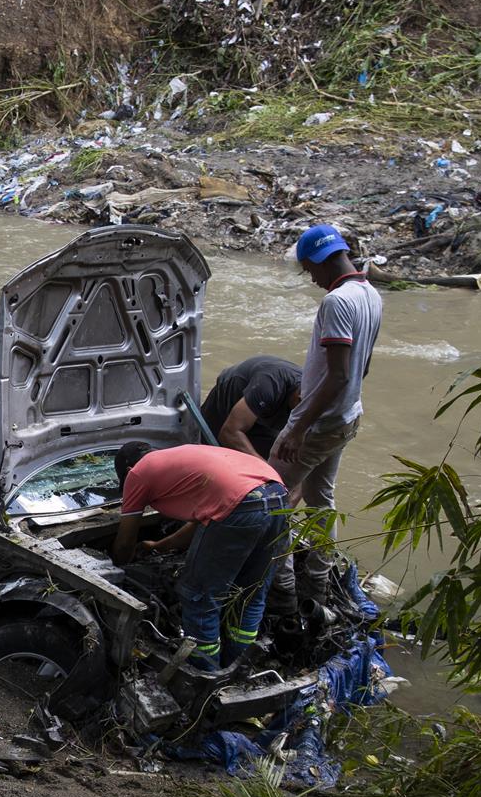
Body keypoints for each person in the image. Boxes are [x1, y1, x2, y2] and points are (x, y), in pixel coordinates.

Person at [110, 441, 289, 673]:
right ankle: (240, 669)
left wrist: (116, 569)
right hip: (278, 498)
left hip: (241, 504)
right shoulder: (184, 455)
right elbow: (206, 518)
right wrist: (160, 546)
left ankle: (207, 677)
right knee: (249, 594)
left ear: (126, 471)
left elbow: (124, 543)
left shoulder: (139, 471)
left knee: (199, 598)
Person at [269, 223, 381, 589]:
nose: (312, 278)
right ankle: (317, 581)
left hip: (317, 425)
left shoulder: (337, 302)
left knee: (272, 502)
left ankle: (280, 586)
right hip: (348, 417)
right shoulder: (370, 295)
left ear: (320, 260)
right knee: (320, 500)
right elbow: (360, 369)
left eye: (310, 269)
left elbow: (338, 376)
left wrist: (299, 428)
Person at [198, 355, 301, 459]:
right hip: (231, 394)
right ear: (298, 397)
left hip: (270, 408)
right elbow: (229, 433)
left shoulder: (314, 401)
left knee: (276, 453)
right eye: (301, 410)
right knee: (206, 450)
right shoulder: (268, 386)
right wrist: (263, 468)